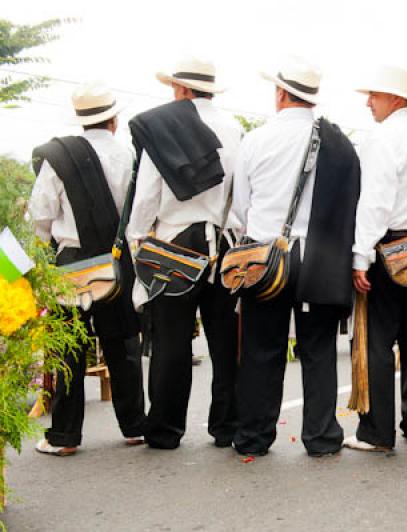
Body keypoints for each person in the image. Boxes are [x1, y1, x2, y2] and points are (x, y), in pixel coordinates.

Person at [231, 57, 360, 457]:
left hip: (265, 259)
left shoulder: (256, 140)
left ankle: (254, 435)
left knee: (261, 349)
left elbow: (240, 209)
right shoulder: (340, 143)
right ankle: (321, 437)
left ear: (282, 93)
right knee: (318, 351)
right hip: (319, 260)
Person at [126, 57, 242, 449]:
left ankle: (165, 430)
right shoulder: (234, 129)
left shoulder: (164, 128)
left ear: (181, 90)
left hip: (174, 242)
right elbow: (240, 196)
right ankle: (226, 427)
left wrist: (138, 240)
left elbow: (146, 196)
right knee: (224, 340)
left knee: (172, 341)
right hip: (223, 241)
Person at [30, 82, 145, 456]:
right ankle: (134, 427)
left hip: (73, 262)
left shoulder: (58, 158)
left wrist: (47, 251)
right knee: (122, 342)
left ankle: (64, 438)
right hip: (115, 258)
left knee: (68, 349)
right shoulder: (127, 154)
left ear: (81, 121)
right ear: (113, 120)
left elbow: (41, 216)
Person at [343, 65, 407, 452]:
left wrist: (360, 255)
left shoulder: (384, 137)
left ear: (395, 98)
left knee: (375, 341)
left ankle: (377, 432)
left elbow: (376, 202)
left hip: (388, 248)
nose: (369, 102)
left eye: (375, 95)